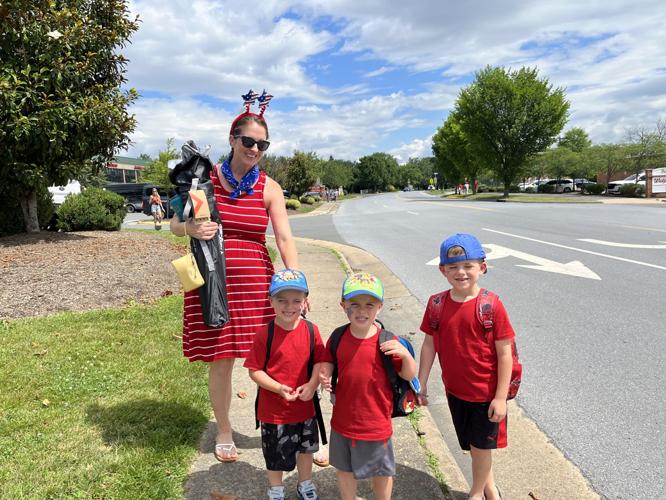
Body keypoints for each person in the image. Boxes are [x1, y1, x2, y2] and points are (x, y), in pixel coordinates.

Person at [170, 90, 299, 463]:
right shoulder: (204, 180)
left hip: (258, 284)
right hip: (214, 283)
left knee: (274, 357)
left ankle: (282, 427)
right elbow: (178, 225)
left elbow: (284, 237)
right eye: (248, 141)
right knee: (222, 359)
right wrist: (190, 231)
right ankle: (225, 429)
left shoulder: (268, 187)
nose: (255, 149)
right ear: (232, 139)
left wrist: (295, 283)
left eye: (262, 144)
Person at [417, 233, 516, 500]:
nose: (461, 272)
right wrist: (421, 382)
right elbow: (429, 345)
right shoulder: (437, 304)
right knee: (474, 445)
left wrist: (500, 397)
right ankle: (491, 489)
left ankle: (476, 493)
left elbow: (505, 354)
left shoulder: (491, 305)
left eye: (468, 266)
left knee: (481, 447)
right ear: (443, 270)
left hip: (485, 394)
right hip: (455, 391)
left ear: (482, 267)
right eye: (453, 267)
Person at [319, 273, 416, 500]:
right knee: (344, 469)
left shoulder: (386, 341)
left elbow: (408, 374)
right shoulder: (339, 335)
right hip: (343, 419)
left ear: (380, 307)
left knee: (381, 472)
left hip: (375, 421)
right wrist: (325, 375)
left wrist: (405, 355)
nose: (362, 311)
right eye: (354, 304)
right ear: (343, 305)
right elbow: (329, 360)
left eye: (369, 305)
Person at [244, 269, 323, 500]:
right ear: (270, 301)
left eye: (296, 300)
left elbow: (321, 361)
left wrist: (312, 383)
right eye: (282, 300)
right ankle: (276, 487)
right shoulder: (264, 334)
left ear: (305, 302)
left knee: (306, 450)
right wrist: (278, 388)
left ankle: (305, 482)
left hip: (305, 407)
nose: (289, 306)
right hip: (273, 411)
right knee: (274, 453)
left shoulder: (311, 330)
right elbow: (254, 370)